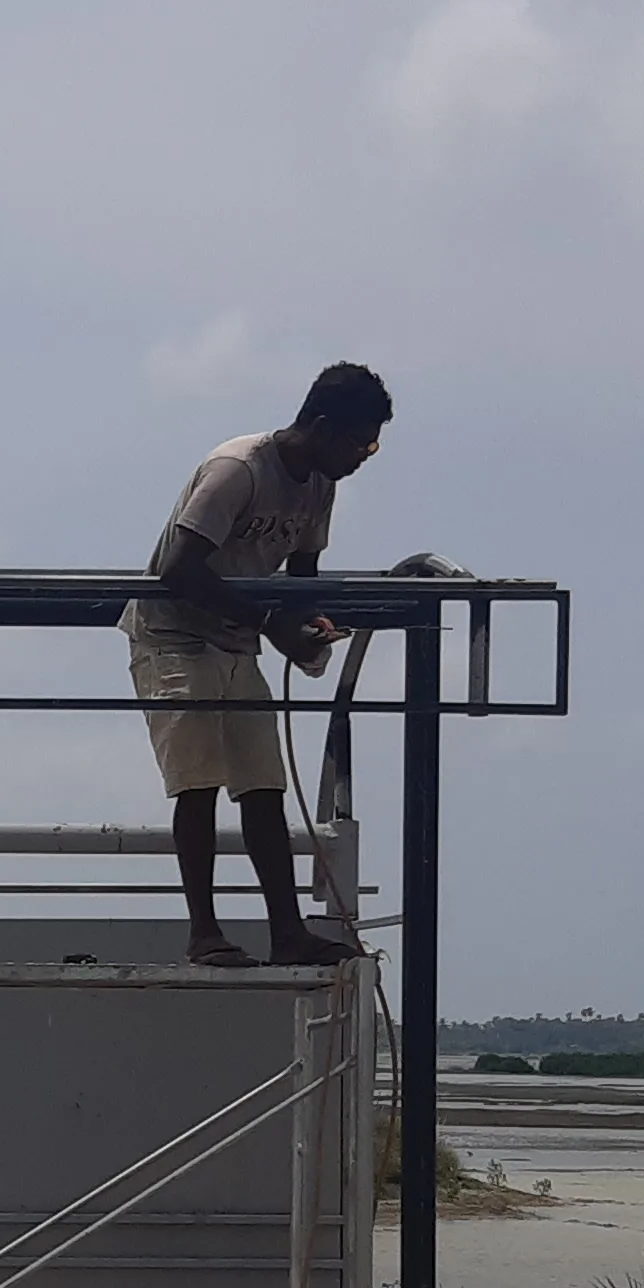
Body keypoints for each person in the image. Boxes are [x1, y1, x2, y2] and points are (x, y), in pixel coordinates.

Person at [123, 360, 391, 965]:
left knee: (263, 782)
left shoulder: (322, 483)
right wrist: (273, 625)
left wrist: (308, 623)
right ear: (321, 427)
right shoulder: (238, 470)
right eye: (359, 442)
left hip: (237, 636)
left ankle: (286, 931)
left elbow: (302, 573)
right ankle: (204, 933)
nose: (364, 456)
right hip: (173, 634)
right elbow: (179, 570)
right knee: (199, 780)